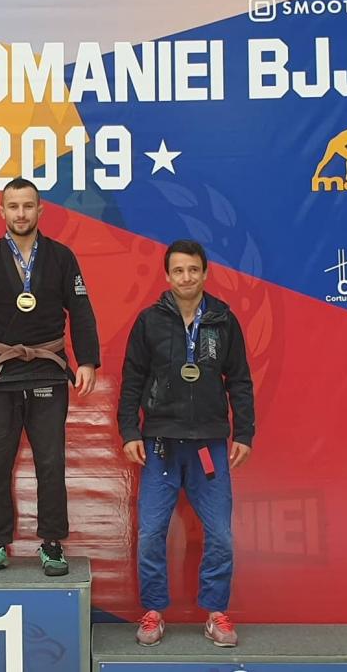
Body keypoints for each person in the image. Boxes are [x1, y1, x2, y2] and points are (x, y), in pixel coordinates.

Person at [0, 177, 100, 577]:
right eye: (13, 206)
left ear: (40, 210)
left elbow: (81, 311)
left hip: (47, 370)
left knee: (50, 462)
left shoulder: (61, 257)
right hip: (1, 373)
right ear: (2, 211)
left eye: (28, 206)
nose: (21, 213)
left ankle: (51, 543)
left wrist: (87, 360)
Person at [118, 239, 254, 648]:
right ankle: (153, 612)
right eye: (178, 270)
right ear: (167, 276)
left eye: (193, 269)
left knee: (220, 534)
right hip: (160, 442)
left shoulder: (223, 320)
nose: (186, 277)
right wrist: (129, 432)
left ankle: (216, 613)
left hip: (208, 444)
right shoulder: (149, 321)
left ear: (205, 273)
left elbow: (240, 380)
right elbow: (132, 379)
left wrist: (244, 434)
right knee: (151, 532)